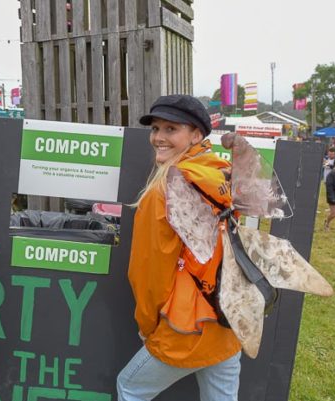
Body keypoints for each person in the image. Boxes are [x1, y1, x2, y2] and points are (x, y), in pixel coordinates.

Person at [117, 95, 241, 401]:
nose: (158, 137)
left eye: (171, 129)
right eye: (155, 128)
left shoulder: (163, 191)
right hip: (227, 317)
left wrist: (148, 326)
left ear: (196, 135)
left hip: (184, 326)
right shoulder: (222, 175)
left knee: (130, 388)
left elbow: (149, 272)